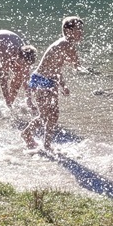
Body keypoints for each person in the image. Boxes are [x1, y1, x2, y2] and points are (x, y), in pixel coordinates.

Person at [21, 16, 84, 152]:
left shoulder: (65, 44)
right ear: (68, 31)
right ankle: (28, 134)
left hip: (48, 80)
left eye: (81, 29)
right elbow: (77, 65)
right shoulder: (66, 44)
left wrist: (63, 85)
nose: (81, 33)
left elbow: (56, 68)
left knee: (53, 115)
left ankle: (46, 143)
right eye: (78, 29)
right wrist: (82, 69)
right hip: (42, 80)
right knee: (47, 115)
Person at [0, 30, 37, 109]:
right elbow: (3, 80)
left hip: (3, 40)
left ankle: (11, 101)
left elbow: (26, 78)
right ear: (19, 56)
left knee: (20, 74)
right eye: (22, 63)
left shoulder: (25, 52)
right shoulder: (6, 53)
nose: (23, 66)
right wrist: (6, 99)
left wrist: (29, 100)